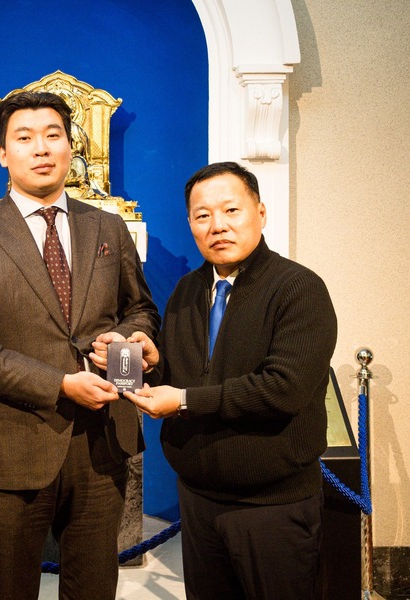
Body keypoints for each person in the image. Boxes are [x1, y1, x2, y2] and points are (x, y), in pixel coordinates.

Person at [0, 91, 159, 600]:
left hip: (103, 444)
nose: (41, 148)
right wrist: (59, 383)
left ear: (70, 146)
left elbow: (141, 309)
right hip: (13, 447)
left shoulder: (108, 226)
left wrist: (129, 340)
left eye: (53, 135)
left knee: (93, 589)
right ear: (3, 153)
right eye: (24, 137)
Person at [122, 161, 338, 599]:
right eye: (202, 215)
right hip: (199, 499)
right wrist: (151, 362)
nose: (217, 225)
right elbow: (186, 374)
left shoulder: (298, 288)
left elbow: (284, 389)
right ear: (190, 224)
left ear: (260, 212)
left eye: (231, 210)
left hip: (272, 506)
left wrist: (185, 401)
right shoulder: (188, 289)